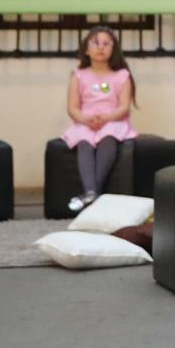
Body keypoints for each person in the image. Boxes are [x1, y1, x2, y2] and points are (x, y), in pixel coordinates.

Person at [60, 26, 138, 213]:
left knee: (108, 137)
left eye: (106, 44)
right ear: (86, 49)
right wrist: (86, 120)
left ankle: (91, 193)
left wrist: (106, 118)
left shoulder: (122, 75)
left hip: (113, 120)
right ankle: (91, 191)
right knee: (84, 141)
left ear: (113, 49)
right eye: (95, 43)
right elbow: (72, 107)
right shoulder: (79, 75)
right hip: (86, 120)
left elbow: (124, 106)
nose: (101, 47)